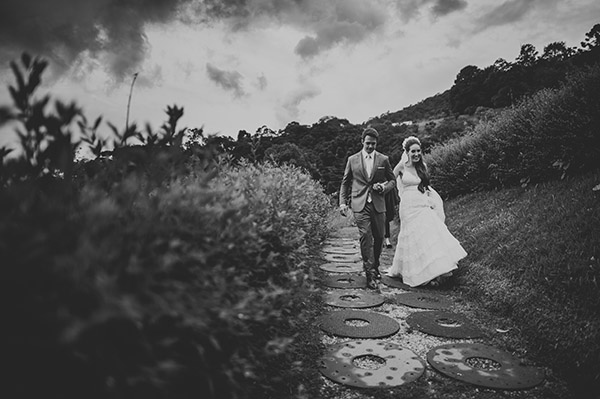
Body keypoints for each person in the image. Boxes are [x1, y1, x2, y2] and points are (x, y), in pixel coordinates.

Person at [385, 136, 467, 287]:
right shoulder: (401, 167)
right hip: (407, 207)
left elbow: (426, 187)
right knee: (413, 237)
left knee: (428, 233)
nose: (416, 154)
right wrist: (381, 188)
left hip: (422, 204)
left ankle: (434, 271)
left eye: (418, 151)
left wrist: (431, 202)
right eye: (413, 152)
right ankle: (417, 272)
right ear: (407, 152)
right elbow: (390, 181)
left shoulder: (423, 166)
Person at [339, 127, 396, 289]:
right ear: (362, 142)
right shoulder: (352, 160)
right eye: (368, 143)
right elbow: (345, 182)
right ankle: (369, 272)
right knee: (366, 235)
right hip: (359, 203)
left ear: (377, 143)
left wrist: (383, 188)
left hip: (378, 204)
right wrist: (343, 203)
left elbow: (392, 180)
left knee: (379, 237)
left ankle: (375, 265)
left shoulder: (383, 159)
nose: (370, 146)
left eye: (373, 144)